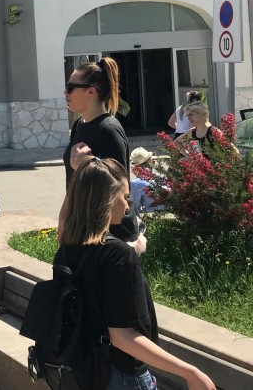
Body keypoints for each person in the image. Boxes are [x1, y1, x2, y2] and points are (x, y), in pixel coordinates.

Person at [59, 157, 215, 390]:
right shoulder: (118, 255)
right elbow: (123, 337)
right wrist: (190, 373)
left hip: (85, 370)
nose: (127, 206)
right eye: (125, 197)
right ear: (108, 199)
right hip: (122, 375)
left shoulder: (68, 247)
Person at [61, 57, 140, 244]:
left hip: (111, 236)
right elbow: (73, 184)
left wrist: (86, 165)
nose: (65, 93)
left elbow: (121, 189)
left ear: (91, 91)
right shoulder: (80, 125)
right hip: (84, 229)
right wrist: (64, 224)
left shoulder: (109, 129)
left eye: (71, 87)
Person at [129, 147, 165, 216]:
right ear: (150, 161)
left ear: (136, 166)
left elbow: (135, 209)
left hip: (153, 218)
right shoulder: (162, 177)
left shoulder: (135, 184)